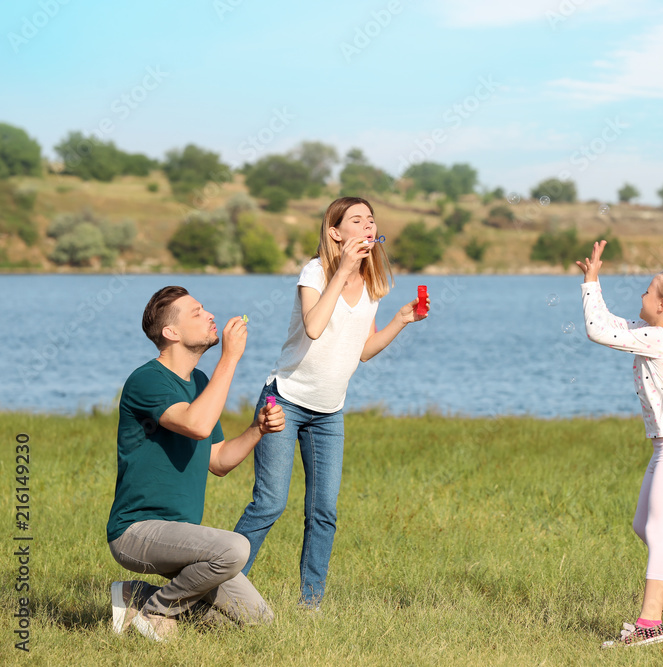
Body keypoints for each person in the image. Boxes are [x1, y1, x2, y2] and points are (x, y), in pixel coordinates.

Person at [233, 196, 429, 609]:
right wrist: (341, 270)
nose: (368, 226)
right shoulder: (315, 272)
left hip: (329, 412)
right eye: (356, 220)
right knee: (269, 504)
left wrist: (399, 321)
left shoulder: (374, 282)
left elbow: (362, 349)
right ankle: (219, 588)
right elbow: (315, 327)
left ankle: (310, 606)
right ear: (335, 232)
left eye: (371, 220)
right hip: (283, 400)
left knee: (324, 513)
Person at [108, 286, 285, 642]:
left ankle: (135, 597)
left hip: (181, 537)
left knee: (259, 621)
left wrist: (256, 430)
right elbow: (196, 424)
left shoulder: (200, 383)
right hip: (136, 531)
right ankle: (158, 612)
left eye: (205, 308)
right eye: (196, 312)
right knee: (235, 548)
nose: (210, 316)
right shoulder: (147, 380)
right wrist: (231, 358)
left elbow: (218, 460)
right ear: (171, 333)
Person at [575, 241, 663, 649]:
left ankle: (649, 624)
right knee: (645, 526)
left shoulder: (662, 339)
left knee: (656, 529)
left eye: (649, 290)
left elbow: (597, 331)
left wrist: (589, 284)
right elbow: (609, 323)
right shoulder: (656, 333)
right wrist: (592, 280)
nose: (642, 294)